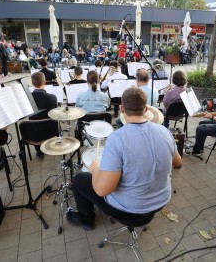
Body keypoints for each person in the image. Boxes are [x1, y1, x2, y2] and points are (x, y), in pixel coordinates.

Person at [67, 87, 182, 231]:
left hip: (129, 211)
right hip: (159, 202)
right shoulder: (164, 131)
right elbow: (178, 162)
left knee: (80, 179)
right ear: (146, 109)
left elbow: (102, 190)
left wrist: (95, 169)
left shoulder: (117, 138)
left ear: (121, 109)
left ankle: (87, 220)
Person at [30, 72, 58, 158]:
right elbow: (55, 113)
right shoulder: (52, 97)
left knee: (35, 125)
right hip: (50, 131)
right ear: (45, 82)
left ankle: (39, 151)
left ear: (32, 83)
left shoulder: (28, 98)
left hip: (34, 133)